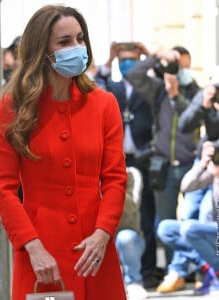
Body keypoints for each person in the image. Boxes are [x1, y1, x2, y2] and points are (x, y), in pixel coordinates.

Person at [0, 5, 127, 300]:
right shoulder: (13, 107)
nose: (77, 47)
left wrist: (103, 233)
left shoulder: (104, 104)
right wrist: (32, 247)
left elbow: (115, 179)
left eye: (80, 39)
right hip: (41, 253)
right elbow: (3, 188)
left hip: (95, 252)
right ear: (42, 50)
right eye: (64, 42)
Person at [126, 46, 201, 267]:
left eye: (184, 66)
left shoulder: (196, 92)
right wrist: (155, 56)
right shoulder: (157, 89)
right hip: (163, 167)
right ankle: (173, 270)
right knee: (166, 223)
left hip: (190, 166)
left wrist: (176, 94)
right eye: (176, 66)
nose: (181, 70)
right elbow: (133, 75)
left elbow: (192, 119)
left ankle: (197, 269)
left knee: (192, 221)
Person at [96, 42, 162, 288]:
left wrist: (146, 56)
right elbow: (95, 83)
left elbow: (159, 81)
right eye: (122, 59)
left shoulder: (148, 86)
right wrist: (110, 58)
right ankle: (118, 271)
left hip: (143, 158)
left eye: (131, 59)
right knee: (114, 215)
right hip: (115, 161)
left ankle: (147, 270)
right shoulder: (112, 88)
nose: (127, 64)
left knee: (146, 215)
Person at [156, 140, 219, 295]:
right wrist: (202, 164)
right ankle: (205, 265)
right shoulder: (214, 171)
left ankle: (215, 270)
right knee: (165, 228)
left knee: (189, 228)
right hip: (213, 232)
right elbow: (186, 186)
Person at [115, 167, 148, 299]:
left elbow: (133, 205)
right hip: (99, 239)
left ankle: (134, 282)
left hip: (129, 237)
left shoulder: (131, 173)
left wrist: (112, 186)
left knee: (126, 238)